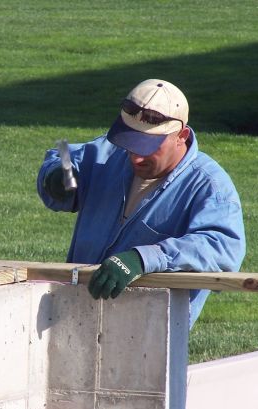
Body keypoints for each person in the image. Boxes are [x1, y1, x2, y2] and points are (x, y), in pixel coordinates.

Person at [36, 79, 245, 328]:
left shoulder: (210, 185)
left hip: (149, 335)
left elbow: (222, 249)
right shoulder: (111, 152)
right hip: (76, 319)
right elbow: (64, 155)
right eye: (130, 144)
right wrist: (56, 177)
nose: (135, 157)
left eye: (147, 147)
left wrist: (143, 258)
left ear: (181, 135)